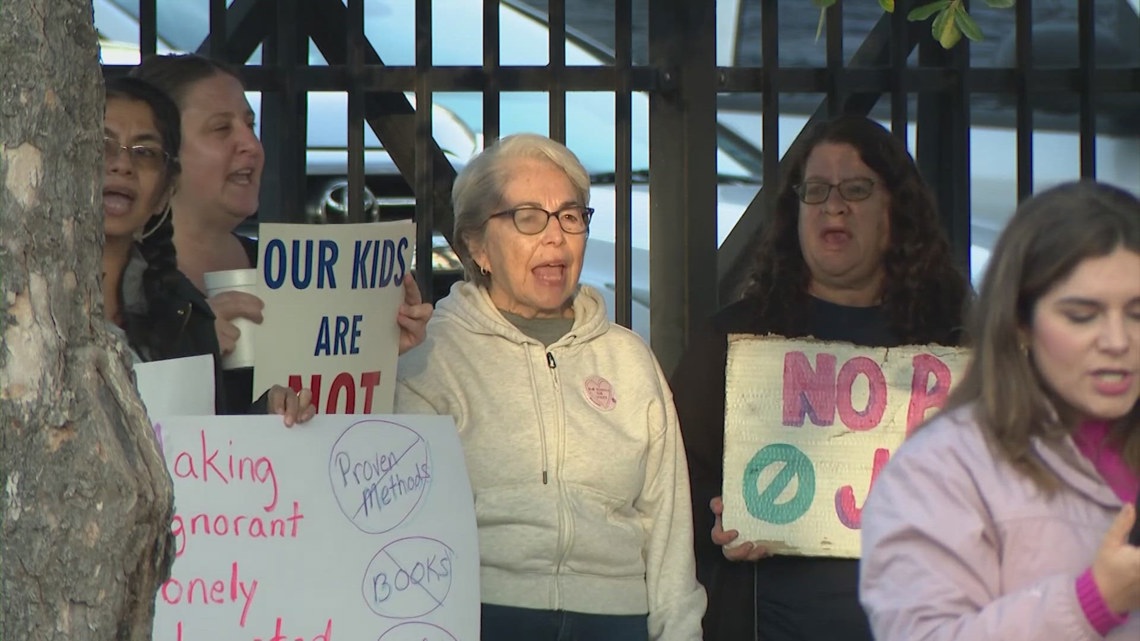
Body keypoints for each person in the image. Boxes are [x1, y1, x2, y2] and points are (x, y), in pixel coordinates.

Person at [670, 114, 972, 640]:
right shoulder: (734, 340)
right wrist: (716, 518)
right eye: (816, 190)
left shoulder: (956, 342)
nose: (834, 206)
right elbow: (672, 483)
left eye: (856, 189)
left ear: (896, 210)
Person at [395, 132, 706, 641]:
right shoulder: (432, 356)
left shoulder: (628, 360)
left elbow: (668, 527)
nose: (556, 237)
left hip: (616, 619)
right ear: (477, 245)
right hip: (481, 614)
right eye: (528, 217)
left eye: (570, 216)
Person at [859, 180, 1140, 640]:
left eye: (1138, 313)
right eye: (1082, 315)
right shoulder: (942, 467)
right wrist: (1093, 603)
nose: (1117, 340)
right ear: (1020, 323)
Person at [130, 54, 432, 411]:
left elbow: (320, 412)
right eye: (221, 129)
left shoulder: (288, 271)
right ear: (160, 151)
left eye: (250, 125)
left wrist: (377, 347)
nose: (251, 144)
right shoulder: (118, 280)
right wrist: (188, 345)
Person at [101, 76, 313, 424]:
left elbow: (208, 443)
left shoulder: (185, 314)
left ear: (165, 192)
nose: (122, 165)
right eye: (103, 146)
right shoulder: (21, 299)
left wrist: (269, 414)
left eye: (145, 153)